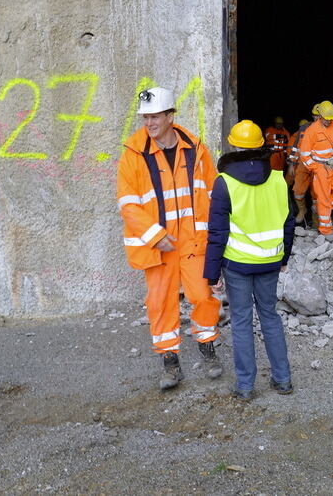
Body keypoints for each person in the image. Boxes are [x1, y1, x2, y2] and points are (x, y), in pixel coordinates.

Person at [117, 87, 222, 391]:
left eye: (154, 116)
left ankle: (207, 346)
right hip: (158, 245)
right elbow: (128, 203)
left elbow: (213, 193)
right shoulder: (134, 154)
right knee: (160, 303)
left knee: (203, 296)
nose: (148, 123)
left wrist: (215, 237)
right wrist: (155, 235)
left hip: (192, 241)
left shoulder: (196, 150)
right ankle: (169, 360)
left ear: (170, 116)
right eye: (145, 117)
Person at [204, 120, 295, 400]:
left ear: (232, 146)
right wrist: (284, 257)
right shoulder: (278, 179)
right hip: (269, 262)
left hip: (238, 265)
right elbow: (288, 223)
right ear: (261, 147)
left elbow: (217, 232)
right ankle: (283, 380)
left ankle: (245, 386)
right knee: (270, 316)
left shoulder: (224, 183)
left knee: (242, 322)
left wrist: (211, 273)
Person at [298, 100, 333, 235]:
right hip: (321, 167)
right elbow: (304, 154)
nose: (329, 122)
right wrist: (316, 168)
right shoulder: (311, 131)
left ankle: (322, 208)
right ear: (320, 116)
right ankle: (326, 230)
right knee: (323, 197)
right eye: (326, 119)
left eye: (331, 119)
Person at [291, 106, 321, 225]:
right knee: (298, 190)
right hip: (303, 163)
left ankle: (315, 219)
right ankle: (302, 210)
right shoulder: (304, 127)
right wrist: (291, 164)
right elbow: (295, 147)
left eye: (318, 115)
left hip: (318, 164)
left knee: (317, 194)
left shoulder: (327, 128)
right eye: (315, 115)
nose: (316, 118)